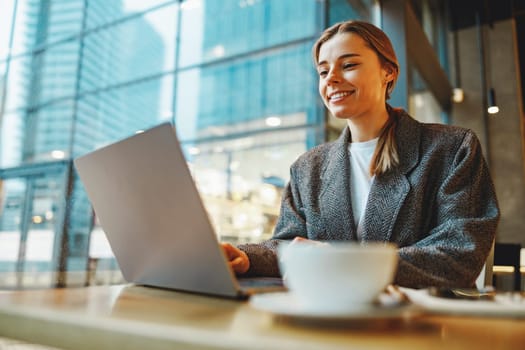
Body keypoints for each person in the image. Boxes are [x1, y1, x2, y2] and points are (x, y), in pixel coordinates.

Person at [221, 20, 500, 289]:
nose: (331, 78)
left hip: (414, 325)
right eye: (323, 71)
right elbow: (289, 245)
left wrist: (345, 262)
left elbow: (461, 253)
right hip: (322, 317)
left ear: (388, 72)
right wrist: (246, 257)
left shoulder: (452, 149)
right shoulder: (308, 167)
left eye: (349, 65)